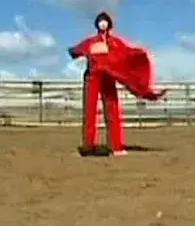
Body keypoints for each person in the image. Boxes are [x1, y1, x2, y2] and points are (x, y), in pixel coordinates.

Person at [68, 11, 167, 157]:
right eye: (100, 21)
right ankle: (88, 146)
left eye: (105, 21)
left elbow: (127, 53)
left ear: (109, 24)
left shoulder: (115, 42)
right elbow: (76, 50)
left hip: (109, 77)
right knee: (90, 111)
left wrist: (139, 54)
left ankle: (115, 146)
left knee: (112, 109)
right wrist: (75, 51)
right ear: (97, 24)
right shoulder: (91, 41)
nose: (103, 23)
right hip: (92, 77)